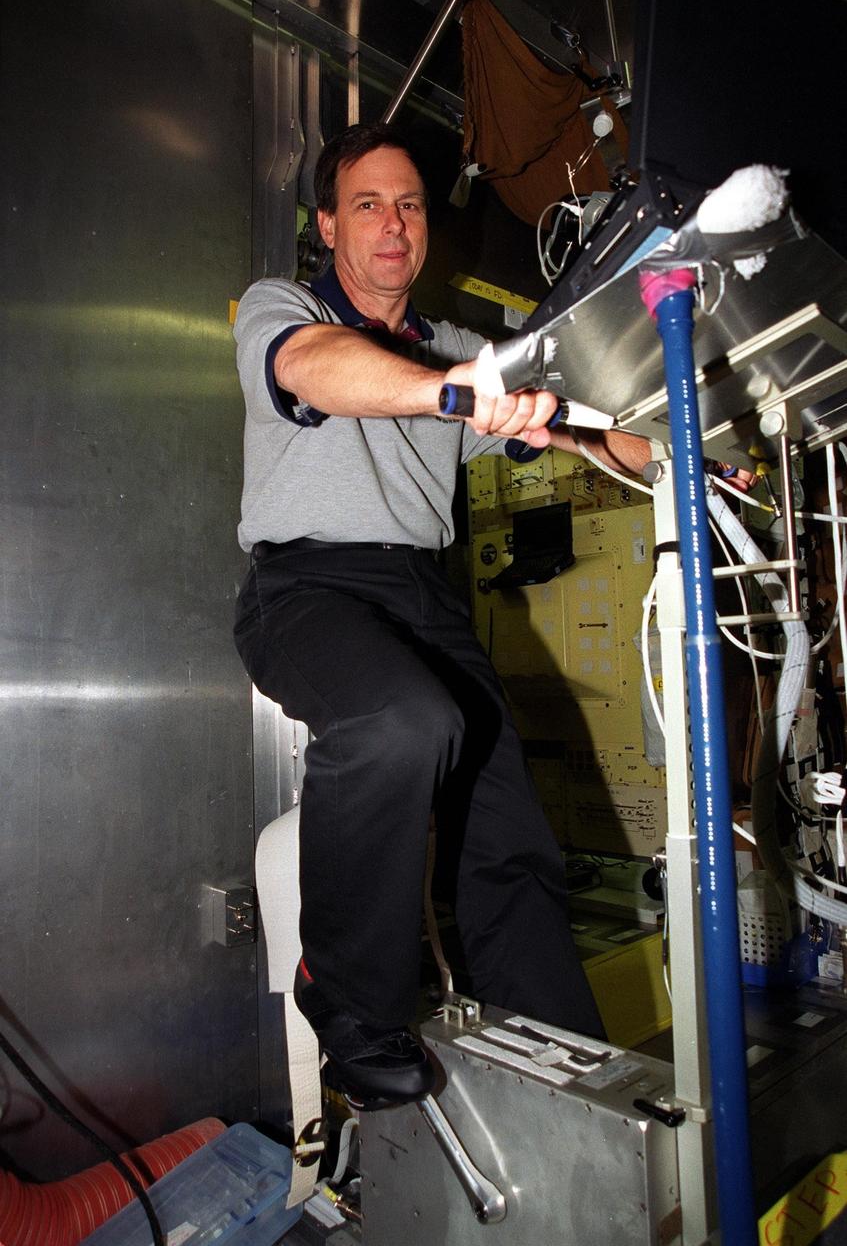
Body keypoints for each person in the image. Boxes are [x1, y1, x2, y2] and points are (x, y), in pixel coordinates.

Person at [232, 122, 654, 1109]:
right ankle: (340, 997)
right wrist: (454, 393)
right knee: (403, 719)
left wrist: (685, 446)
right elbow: (313, 367)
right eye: (368, 203)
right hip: (307, 587)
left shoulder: (462, 351)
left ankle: (570, 1068)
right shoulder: (284, 308)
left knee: (508, 832)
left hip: (427, 593)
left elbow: (584, 429)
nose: (393, 222)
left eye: (411, 204)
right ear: (329, 223)